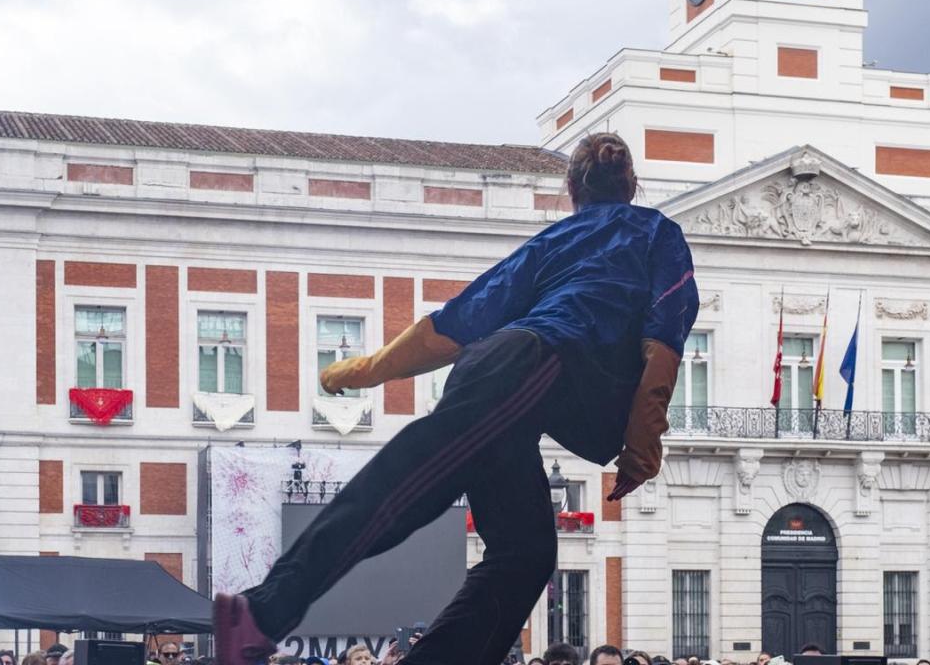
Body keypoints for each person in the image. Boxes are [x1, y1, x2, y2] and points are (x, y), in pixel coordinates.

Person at [216, 133, 698, 665]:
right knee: (409, 483)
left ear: (572, 190)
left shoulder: (554, 242)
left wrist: (368, 369)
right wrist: (642, 446)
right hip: (532, 368)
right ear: (632, 185)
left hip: (506, 372)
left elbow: (453, 324)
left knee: (526, 554)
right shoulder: (658, 235)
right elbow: (663, 340)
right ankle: (260, 612)